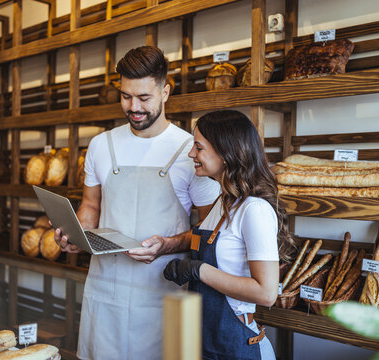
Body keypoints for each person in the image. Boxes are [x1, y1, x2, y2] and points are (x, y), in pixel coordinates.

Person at [54, 46, 220, 360]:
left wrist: (169, 244)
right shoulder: (102, 145)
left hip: (165, 291)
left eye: (144, 98)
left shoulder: (190, 151)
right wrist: (76, 234)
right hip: (105, 289)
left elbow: (209, 232)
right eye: (126, 96)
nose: (134, 107)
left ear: (166, 91)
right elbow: (90, 206)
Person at [163, 110, 295, 360]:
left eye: (198, 147)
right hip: (207, 342)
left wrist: (199, 270)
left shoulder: (253, 209)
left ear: (226, 153)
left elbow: (266, 293)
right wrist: (165, 246)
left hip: (237, 346)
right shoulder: (222, 203)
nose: (192, 154)